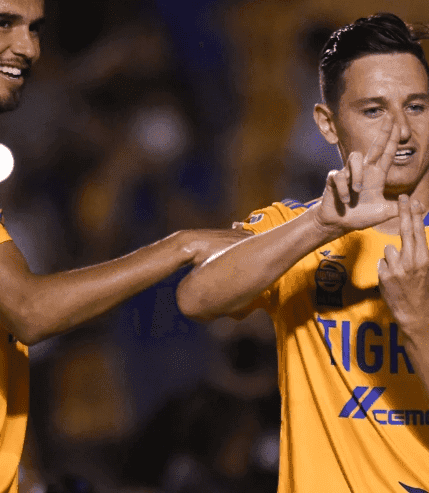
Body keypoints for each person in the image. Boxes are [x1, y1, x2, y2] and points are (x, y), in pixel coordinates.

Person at [177, 13, 429, 492]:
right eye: (374, 111)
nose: (401, 131)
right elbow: (196, 298)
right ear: (328, 124)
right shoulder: (295, 231)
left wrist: (418, 320)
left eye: (415, 106)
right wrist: (320, 225)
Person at [0, 2, 248, 491]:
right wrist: (175, 240)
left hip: (184, 315)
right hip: (139, 320)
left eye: (36, 29)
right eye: (6, 23)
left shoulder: (195, 152)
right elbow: (31, 308)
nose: (29, 47)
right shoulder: (100, 152)